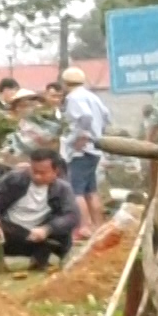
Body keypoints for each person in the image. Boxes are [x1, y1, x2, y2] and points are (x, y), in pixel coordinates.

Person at [0, 149, 81, 270]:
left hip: (37, 235)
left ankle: (41, 250)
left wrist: (47, 229)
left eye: (42, 173)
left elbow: (71, 216)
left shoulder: (62, 189)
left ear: (55, 171)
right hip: (6, 232)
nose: (37, 176)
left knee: (60, 231)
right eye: (34, 171)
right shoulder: (14, 179)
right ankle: (36, 251)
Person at [59, 66, 110, 238]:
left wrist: (80, 136)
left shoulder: (73, 98)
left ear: (65, 82)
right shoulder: (92, 96)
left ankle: (84, 226)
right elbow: (106, 116)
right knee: (91, 190)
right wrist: (98, 134)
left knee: (77, 190)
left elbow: (85, 117)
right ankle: (98, 225)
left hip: (80, 150)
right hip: (95, 148)